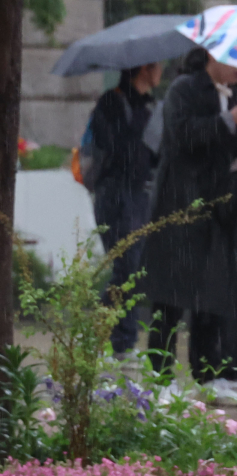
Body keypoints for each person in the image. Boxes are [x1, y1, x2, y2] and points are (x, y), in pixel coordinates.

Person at [141, 48, 237, 401]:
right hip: (180, 204)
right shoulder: (185, 88)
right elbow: (183, 135)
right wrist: (229, 119)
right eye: (235, 61)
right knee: (170, 296)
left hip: (218, 207)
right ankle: (160, 376)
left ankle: (208, 373)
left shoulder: (233, 96)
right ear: (214, 56)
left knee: (211, 291)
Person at [91, 62, 162, 360]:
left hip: (138, 194)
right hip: (114, 193)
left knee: (132, 268)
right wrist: (143, 123)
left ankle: (117, 339)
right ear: (144, 68)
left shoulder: (149, 106)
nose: (161, 71)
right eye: (157, 66)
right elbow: (114, 146)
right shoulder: (111, 102)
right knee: (126, 267)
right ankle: (117, 339)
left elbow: (152, 157)